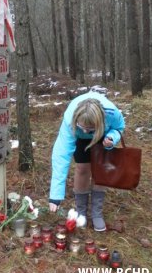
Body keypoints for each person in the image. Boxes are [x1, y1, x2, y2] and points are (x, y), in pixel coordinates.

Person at [49, 91, 125, 231]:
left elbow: (119, 128)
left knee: (100, 170)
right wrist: (55, 194)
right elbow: (61, 156)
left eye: (88, 129)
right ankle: (81, 211)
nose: (85, 130)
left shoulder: (111, 114)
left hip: (102, 135)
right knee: (82, 168)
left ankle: (97, 213)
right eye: (82, 127)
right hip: (78, 137)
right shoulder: (69, 120)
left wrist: (112, 138)